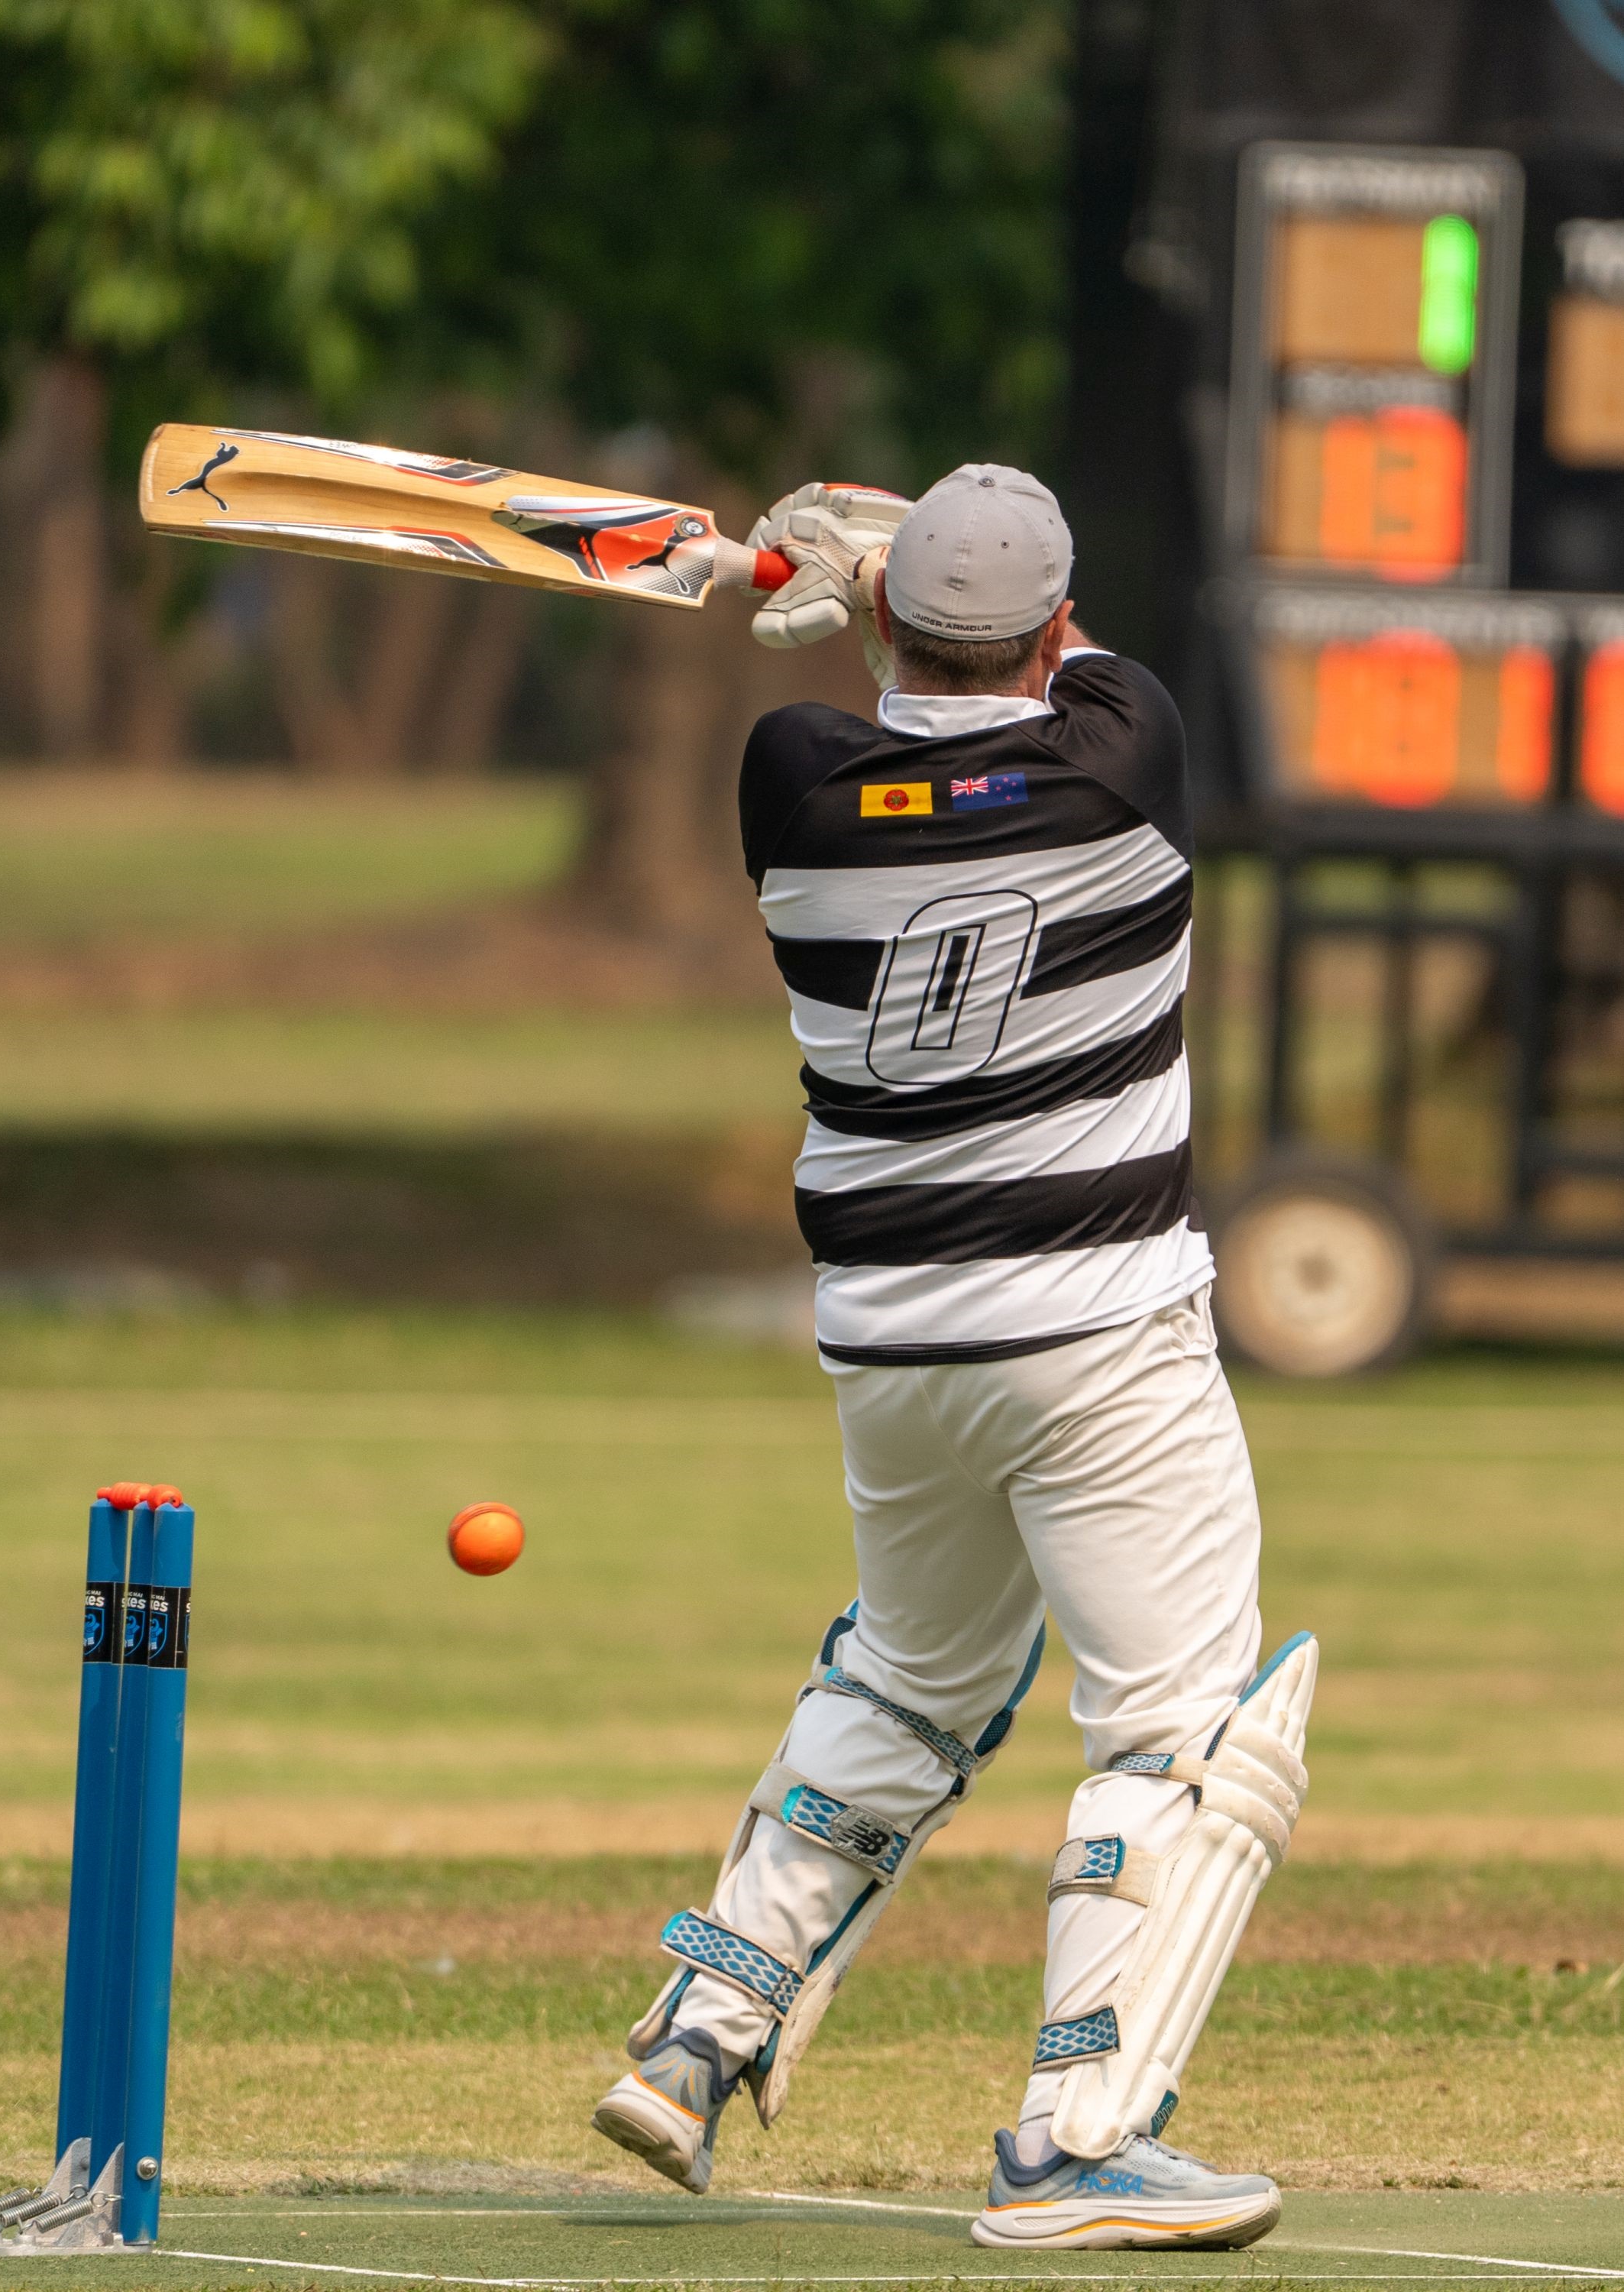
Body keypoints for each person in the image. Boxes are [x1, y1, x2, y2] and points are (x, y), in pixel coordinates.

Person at [591, 466, 1315, 2252]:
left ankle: (704, 2021)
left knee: (913, 1680)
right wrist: (870, 577)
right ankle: (1078, 2137)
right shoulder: (1126, 758)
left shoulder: (790, 779)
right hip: (1100, 1331)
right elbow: (1056, 682)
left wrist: (864, 600)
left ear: (901, 629)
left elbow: (914, 716)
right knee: (1187, 1731)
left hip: (893, 1341)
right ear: (1053, 627)